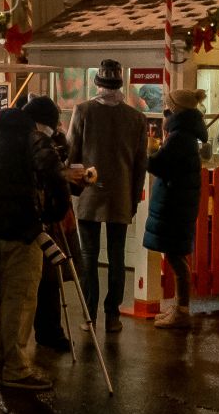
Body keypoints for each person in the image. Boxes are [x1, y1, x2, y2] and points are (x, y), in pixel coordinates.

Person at [0, 99, 71, 392]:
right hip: (24, 229)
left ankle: (6, 364)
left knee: (6, 299)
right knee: (22, 298)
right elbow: (55, 177)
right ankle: (15, 367)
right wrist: (53, 212)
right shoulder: (32, 139)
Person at [68, 59, 150, 333]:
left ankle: (89, 315)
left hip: (89, 195)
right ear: (120, 85)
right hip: (122, 196)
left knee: (89, 256)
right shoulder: (137, 118)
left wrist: (74, 191)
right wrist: (134, 198)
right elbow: (141, 164)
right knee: (116, 257)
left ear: (97, 84)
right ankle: (112, 315)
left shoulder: (83, 111)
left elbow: (72, 156)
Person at [145, 89, 207, 331]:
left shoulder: (180, 137)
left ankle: (182, 309)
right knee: (175, 254)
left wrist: (146, 154)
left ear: (176, 110)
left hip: (176, 203)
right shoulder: (183, 135)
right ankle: (180, 307)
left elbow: (161, 165)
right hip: (179, 202)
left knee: (175, 256)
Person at [22, 96, 77, 354]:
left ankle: (47, 330)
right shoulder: (38, 142)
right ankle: (46, 331)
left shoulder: (34, 139)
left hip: (41, 216)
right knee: (42, 277)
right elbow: (54, 177)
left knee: (46, 276)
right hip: (43, 216)